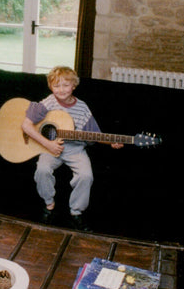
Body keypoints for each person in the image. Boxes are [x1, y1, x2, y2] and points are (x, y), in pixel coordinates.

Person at [21, 66, 123, 231]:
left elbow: (94, 133)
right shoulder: (48, 103)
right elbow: (26, 126)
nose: (61, 90)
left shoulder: (82, 107)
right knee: (42, 169)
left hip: (75, 149)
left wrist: (110, 142)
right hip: (49, 147)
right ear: (50, 87)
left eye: (65, 85)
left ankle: (76, 212)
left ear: (74, 86)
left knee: (86, 175)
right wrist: (48, 144)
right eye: (56, 86)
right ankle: (49, 205)